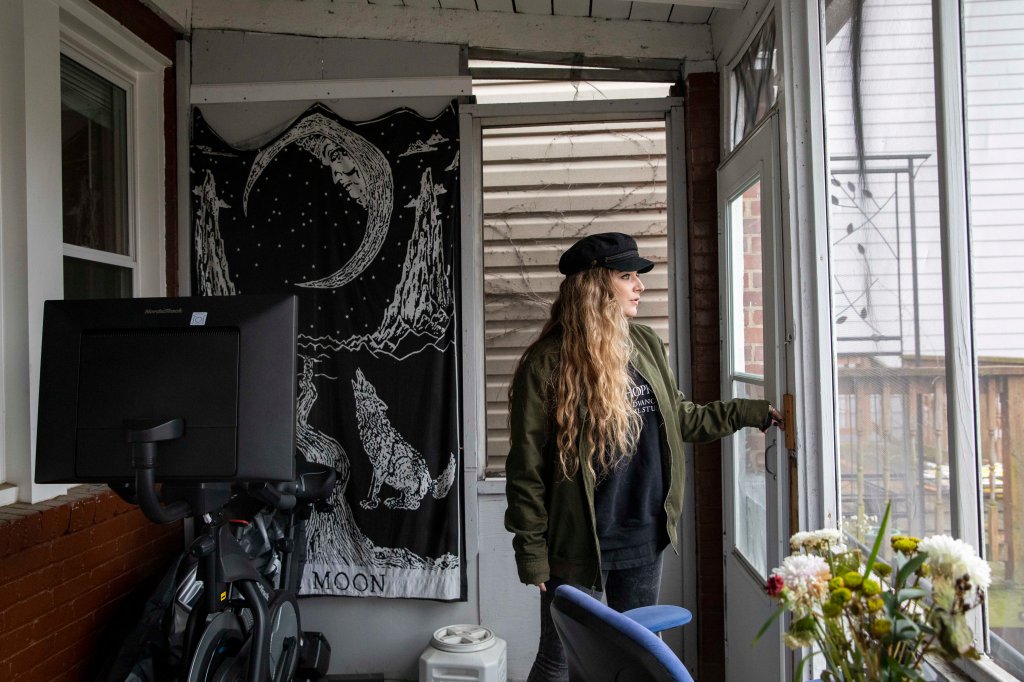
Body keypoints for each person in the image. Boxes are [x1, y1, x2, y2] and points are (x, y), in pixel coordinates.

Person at [504, 232, 784, 682]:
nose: (640, 286)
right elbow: (526, 470)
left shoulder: (646, 344)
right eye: (628, 276)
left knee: (634, 662)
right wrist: (531, 553)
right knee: (559, 662)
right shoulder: (546, 363)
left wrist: (750, 412)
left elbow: (682, 419)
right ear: (596, 287)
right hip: (575, 548)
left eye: (638, 276)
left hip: (642, 538)